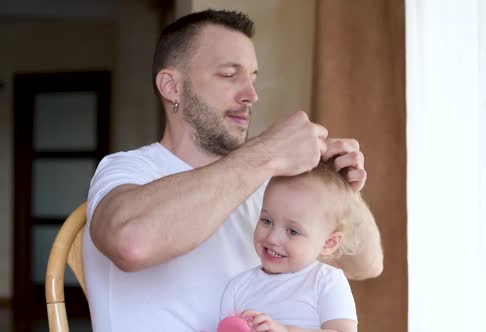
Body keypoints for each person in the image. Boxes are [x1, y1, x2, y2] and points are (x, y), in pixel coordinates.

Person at [83, 9, 383, 332]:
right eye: (229, 75)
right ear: (171, 86)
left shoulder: (268, 184)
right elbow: (131, 243)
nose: (251, 95)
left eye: (253, 78)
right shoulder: (127, 170)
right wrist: (266, 151)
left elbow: (367, 264)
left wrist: (339, 188)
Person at [219, 162, 362, 332]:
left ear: (328, 243)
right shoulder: (238, 287)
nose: (272, 238)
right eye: (267, 221)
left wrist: (285, 330)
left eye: (293, 231)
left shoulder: (326, 280)